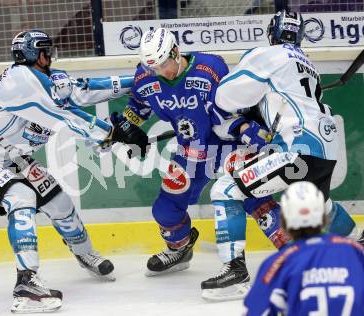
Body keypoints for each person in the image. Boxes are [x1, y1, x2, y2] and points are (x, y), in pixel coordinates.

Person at [0, 29, 140, 313]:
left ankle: (86, 255)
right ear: (39, 53)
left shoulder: (45, 80)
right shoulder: (19, 82)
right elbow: (62, 115)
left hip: (10, 157)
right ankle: (26, 283)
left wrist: (141, 81)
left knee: (59, 203)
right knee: (20, 198)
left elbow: (84, 90)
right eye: (48, 50)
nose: (51, 56)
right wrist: (108, 133)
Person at [203, 9, 364, 300]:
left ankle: (234, 273)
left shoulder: (268, 54)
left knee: (226, 188)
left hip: (298, 149)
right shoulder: (309, 67)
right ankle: (360, 242)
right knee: (322, 205)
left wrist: (241, 111)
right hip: (325, 150)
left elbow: (225, 96)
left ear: (271, 33)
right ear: (300, 36)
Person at [112, 27, 276, 287]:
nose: (161, 72)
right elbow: (140, 105)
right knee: (165, 209)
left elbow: (232, 108)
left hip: (228, 145)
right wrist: (127, 126)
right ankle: (181, 248)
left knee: (254, 199)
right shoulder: (146, 76)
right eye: (154, 67)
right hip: (191, 150)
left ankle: (297, 253)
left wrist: (247, 129)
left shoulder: (210, 67)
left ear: (176, 52)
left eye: (164, 64)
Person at [244, 181, 364, 315]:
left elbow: (257, 311)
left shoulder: (277, 263)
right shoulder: (355, 250)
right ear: (324, 216)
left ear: (283, 219)